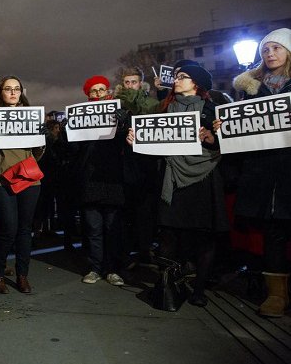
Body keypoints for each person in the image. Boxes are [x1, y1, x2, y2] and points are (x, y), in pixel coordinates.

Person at [131, 63, 228, 307]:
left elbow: (232, 145)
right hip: (171, 177)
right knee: (169, 233)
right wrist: (135, 139)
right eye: (175, 76)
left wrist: (215, 138)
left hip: (203, 176)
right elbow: (149, 142)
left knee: (203, 237)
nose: (176, 80)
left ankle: (199, 289)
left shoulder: (214, 110)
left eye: (182, 77)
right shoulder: (163, 108)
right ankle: (167, 283)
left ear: (196, 83)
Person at [229, 28, 291, 317]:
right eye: (266, 49)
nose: (270, 54)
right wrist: (225, 129)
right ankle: (276, 295)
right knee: (274, 232)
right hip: (265, 172)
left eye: (277, 48)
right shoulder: (249, 89)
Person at [0, 76, 44, 293]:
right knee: (7, 226)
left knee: (25, 229)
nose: (13, 92)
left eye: (17, 89)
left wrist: (42, 141)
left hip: (28, 178)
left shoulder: (32, 117)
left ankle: (22, 275)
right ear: (1, 92)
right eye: (8, 89)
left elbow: (37, 155)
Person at [74, 76, 126, 287]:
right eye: (93, 91)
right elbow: (73, 152)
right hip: (90, 180)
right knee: (93, 228)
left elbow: (127, 144)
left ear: (108, 92)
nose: (98, 94)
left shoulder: (119, 114)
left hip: (112, 179)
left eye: (101, 90)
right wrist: (69, 131)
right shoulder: (80, 117)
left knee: (112, 228)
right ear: (88, 95)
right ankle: (95, 268)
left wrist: (122, 124)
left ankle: (112, 269)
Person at [114, 67, 160, 268]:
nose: (130, 86)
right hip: (123, 163)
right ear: (122, 84)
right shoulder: (115, 105)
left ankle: (144, 249)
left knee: (145, 211)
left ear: (140, 83)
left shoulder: (151, 103)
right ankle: (125, 252)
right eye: (127, 82)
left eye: (134, 82)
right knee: (125, 212)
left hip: (145, 165)